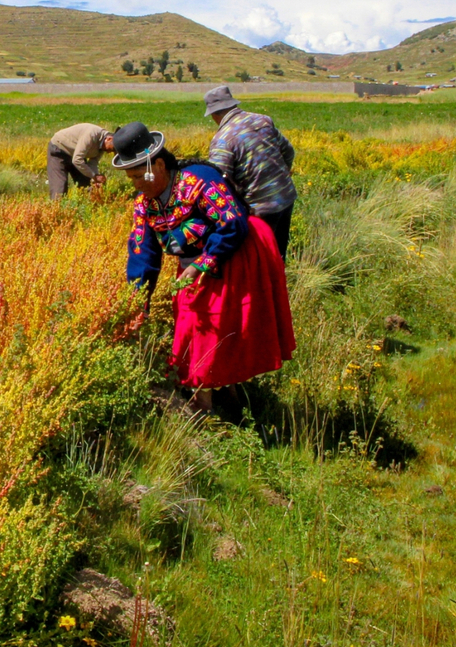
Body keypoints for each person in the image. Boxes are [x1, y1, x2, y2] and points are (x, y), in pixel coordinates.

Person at [112, 122, 295, 411]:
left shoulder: (199, 180)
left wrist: (202, 265)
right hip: (192, 266)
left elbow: (232, 223)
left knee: (211, 327)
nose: (136, 184)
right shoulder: (144, 204)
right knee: (194, 325)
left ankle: (204, 404)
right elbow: (142, 255)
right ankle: (222, 394)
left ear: (157, 164)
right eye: (131, 178)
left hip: (234, 255)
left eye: (139, 176)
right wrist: (137, 303)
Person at [204, 85, 297, 258]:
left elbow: (217, 183)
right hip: (286, 197)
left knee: (260, 261)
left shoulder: (223, 139)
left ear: (215, 114)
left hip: (259, 209)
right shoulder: (263, 120)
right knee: (278, 255)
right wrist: (280, 176)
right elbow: (288, 151)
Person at [47, 123, 115, 200]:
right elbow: (77, 160)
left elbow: (93, 162)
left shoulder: (103, 146)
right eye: (111, 149)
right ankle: (56, 209)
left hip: (76, 154)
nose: (109, 152)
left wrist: (95, 178)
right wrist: (94, 176)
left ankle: (88, 208)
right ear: (109, 139)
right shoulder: (91, 134)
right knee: (59, 188)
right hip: (59, 150)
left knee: (87, 186)